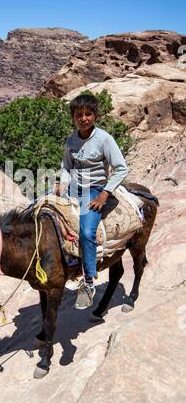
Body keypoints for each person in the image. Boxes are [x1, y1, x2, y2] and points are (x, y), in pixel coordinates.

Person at [55, 94, 128, 309]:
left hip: (95, 190)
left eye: (88, 114)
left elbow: (121, 168)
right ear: (73, 117)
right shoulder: (71, 140)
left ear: (95, 115)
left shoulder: (104, 139)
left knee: (87, 232)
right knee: (41, 210)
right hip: (74, 190)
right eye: (79, 114)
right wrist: (63, 184)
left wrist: (105, 193)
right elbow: (66, 167)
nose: (84, 118)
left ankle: (88, 282)